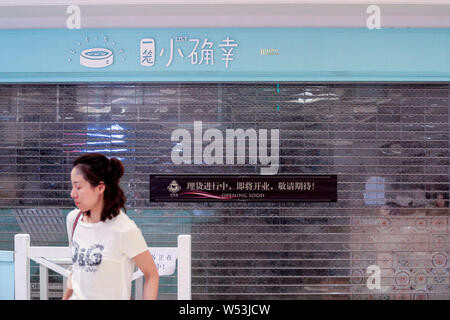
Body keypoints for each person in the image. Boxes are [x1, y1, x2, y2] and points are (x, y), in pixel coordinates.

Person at [62, 153, 159, 300]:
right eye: (72, 186)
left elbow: (151, 275)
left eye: (78, 187)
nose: (72, 194)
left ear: (100, 188)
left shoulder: (124, 230)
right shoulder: (74, 219)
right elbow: (76, 269)